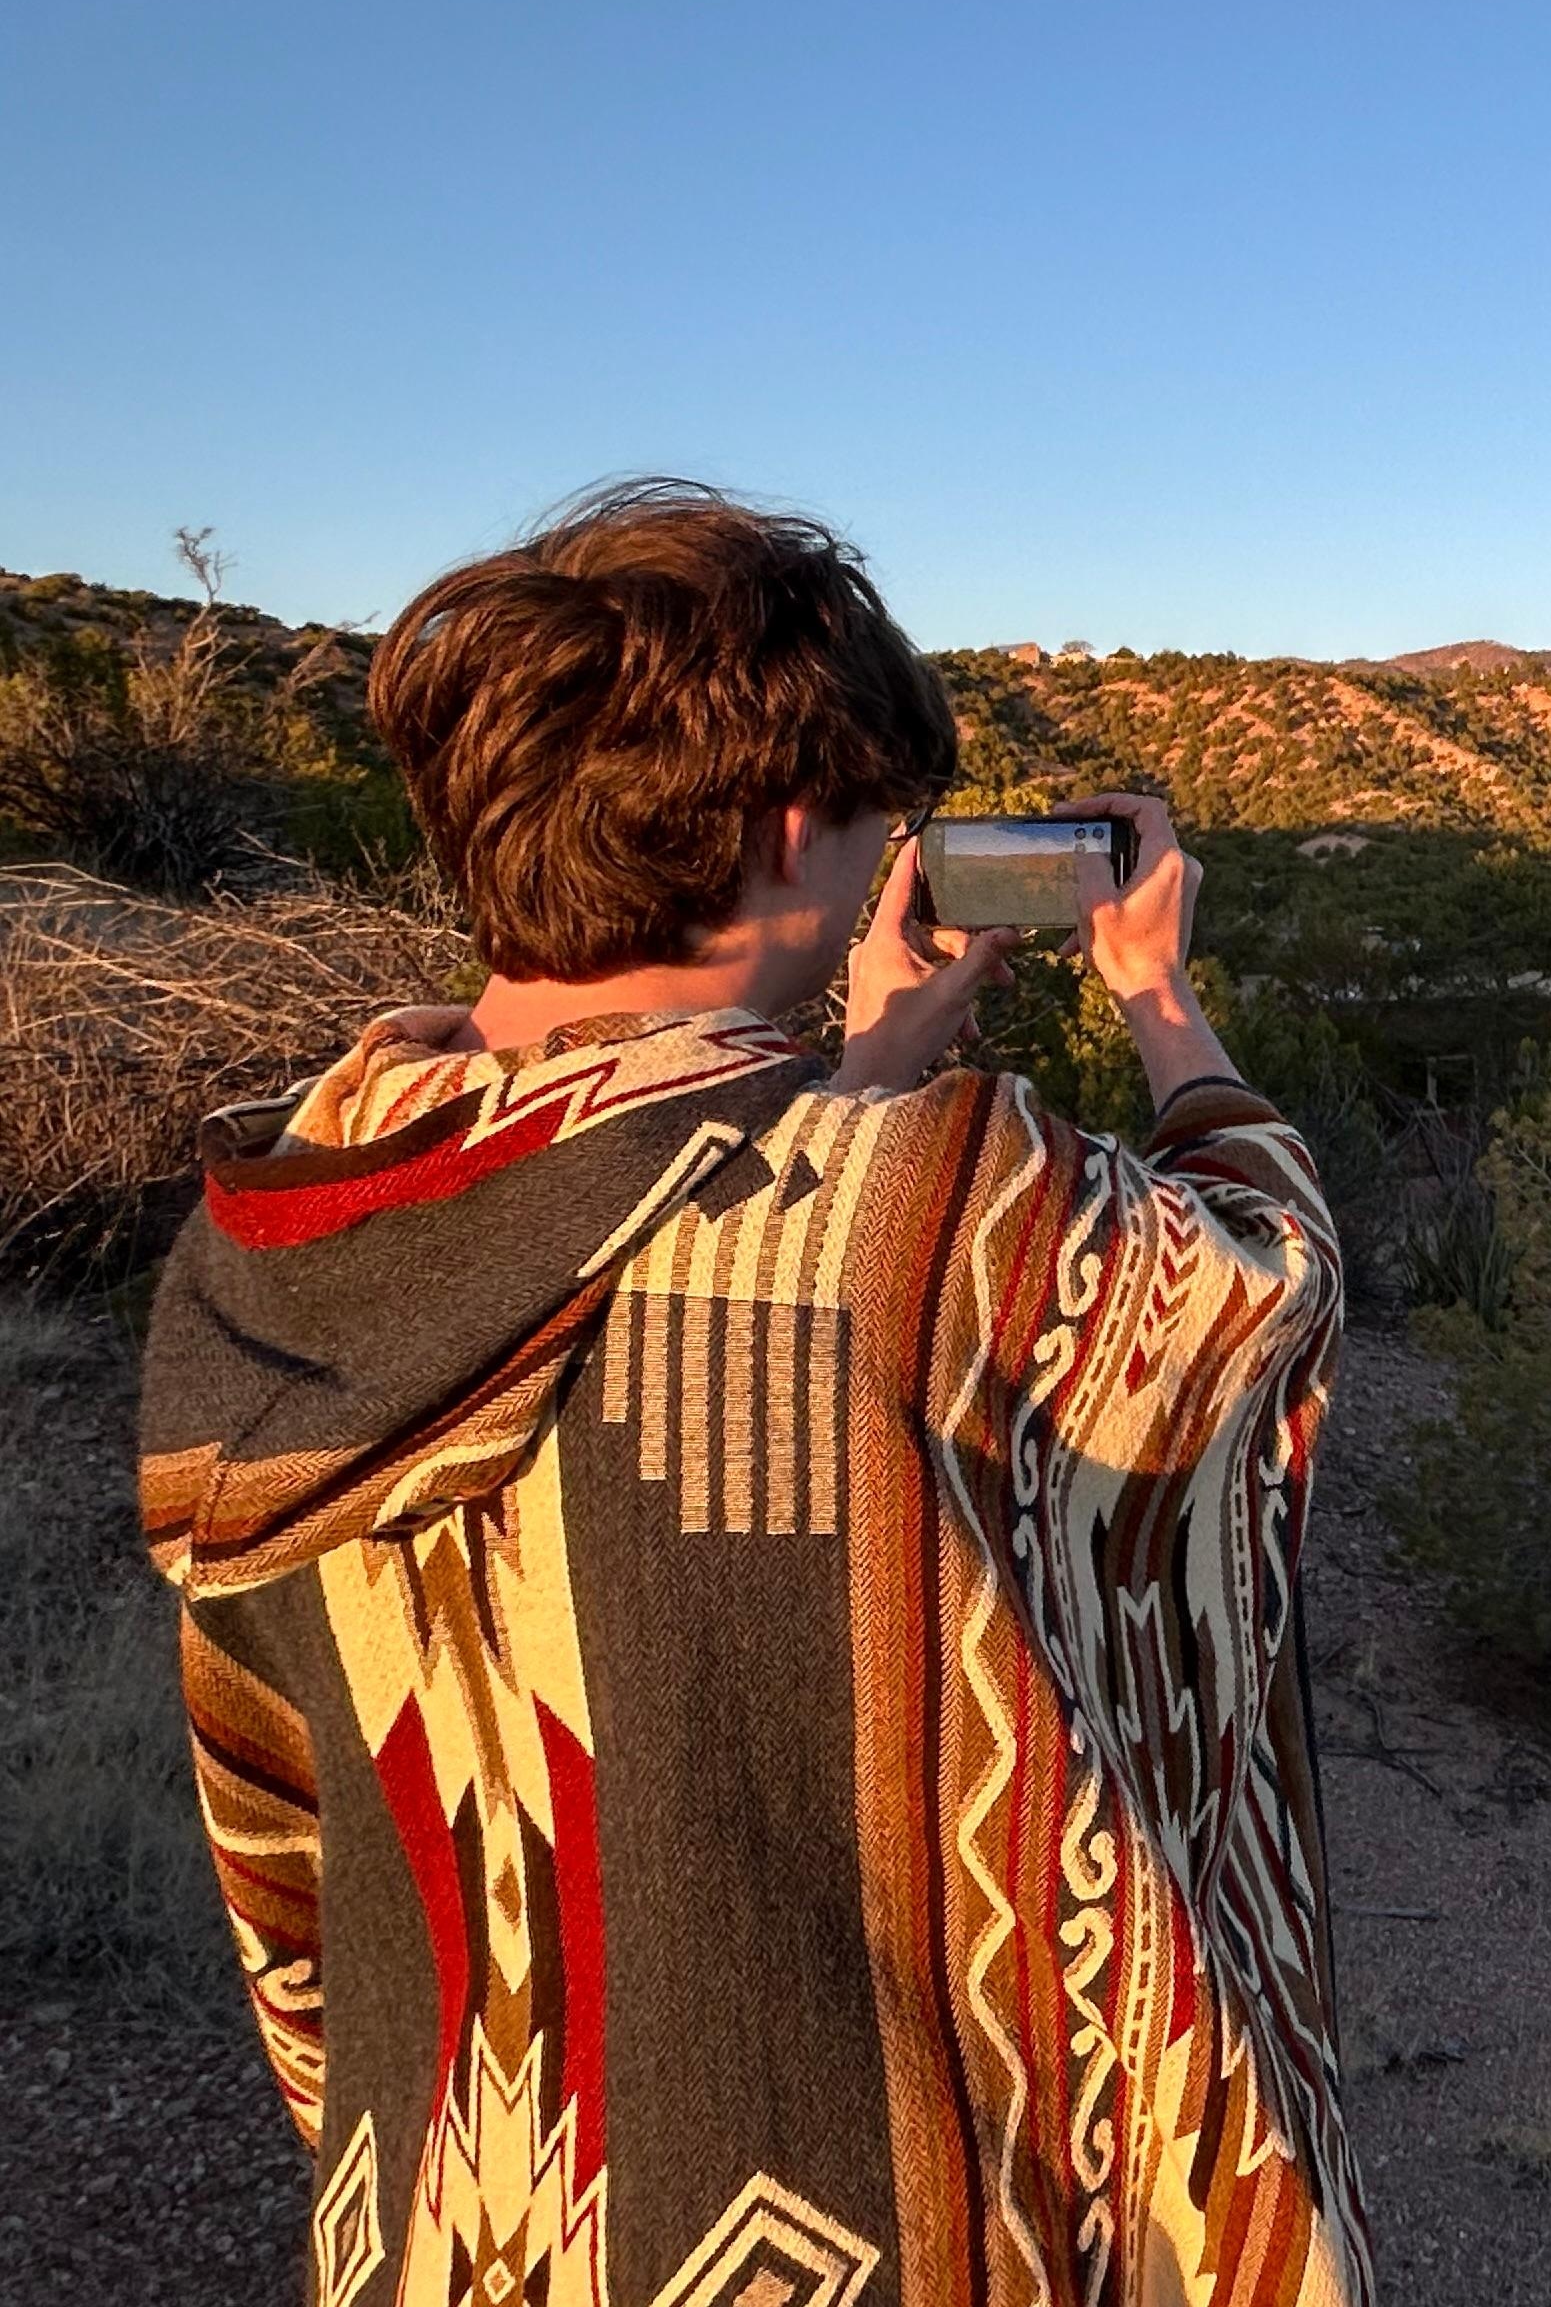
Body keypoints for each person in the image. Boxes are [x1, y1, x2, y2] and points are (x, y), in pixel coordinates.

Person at [139, 483, 1375, 2307]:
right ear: (802, 826)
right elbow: (1264, 1298)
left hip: (469, 2217)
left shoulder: (277, 1226)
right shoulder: (928, 1209)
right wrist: (1158, 999)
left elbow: (615, 1216)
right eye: (881, 825)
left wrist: (864, 1056)